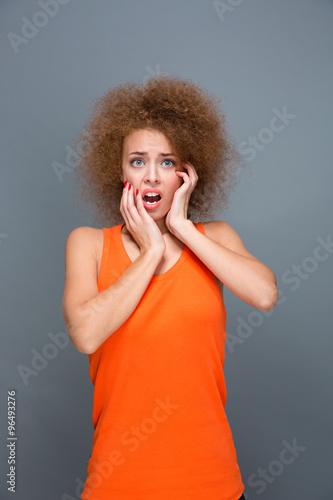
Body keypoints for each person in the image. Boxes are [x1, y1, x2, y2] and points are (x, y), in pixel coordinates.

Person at [62, 74, 278, 500]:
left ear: (187, 172)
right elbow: (86, 334)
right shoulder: (87, 243)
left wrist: (181, 228)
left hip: (212, 482)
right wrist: (150, 252)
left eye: (167, 162)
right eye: (138, 161)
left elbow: (265, 294)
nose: (152, 178)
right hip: (119, 484)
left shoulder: (213, 237)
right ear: (118, 169)